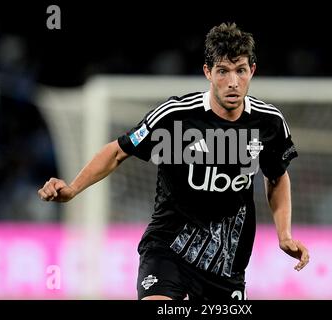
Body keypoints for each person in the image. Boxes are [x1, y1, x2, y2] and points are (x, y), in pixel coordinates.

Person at [38, 22, 309, 300]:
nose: (232, 82)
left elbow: (276, 176)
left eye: (240, 70)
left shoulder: (270, 123)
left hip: (224, 264)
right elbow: (118, 151)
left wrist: (284, 235)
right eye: (222, 71)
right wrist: (72, 189)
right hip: (168, 250)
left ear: (252, 70)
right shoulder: (175, 115)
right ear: (207, 72)